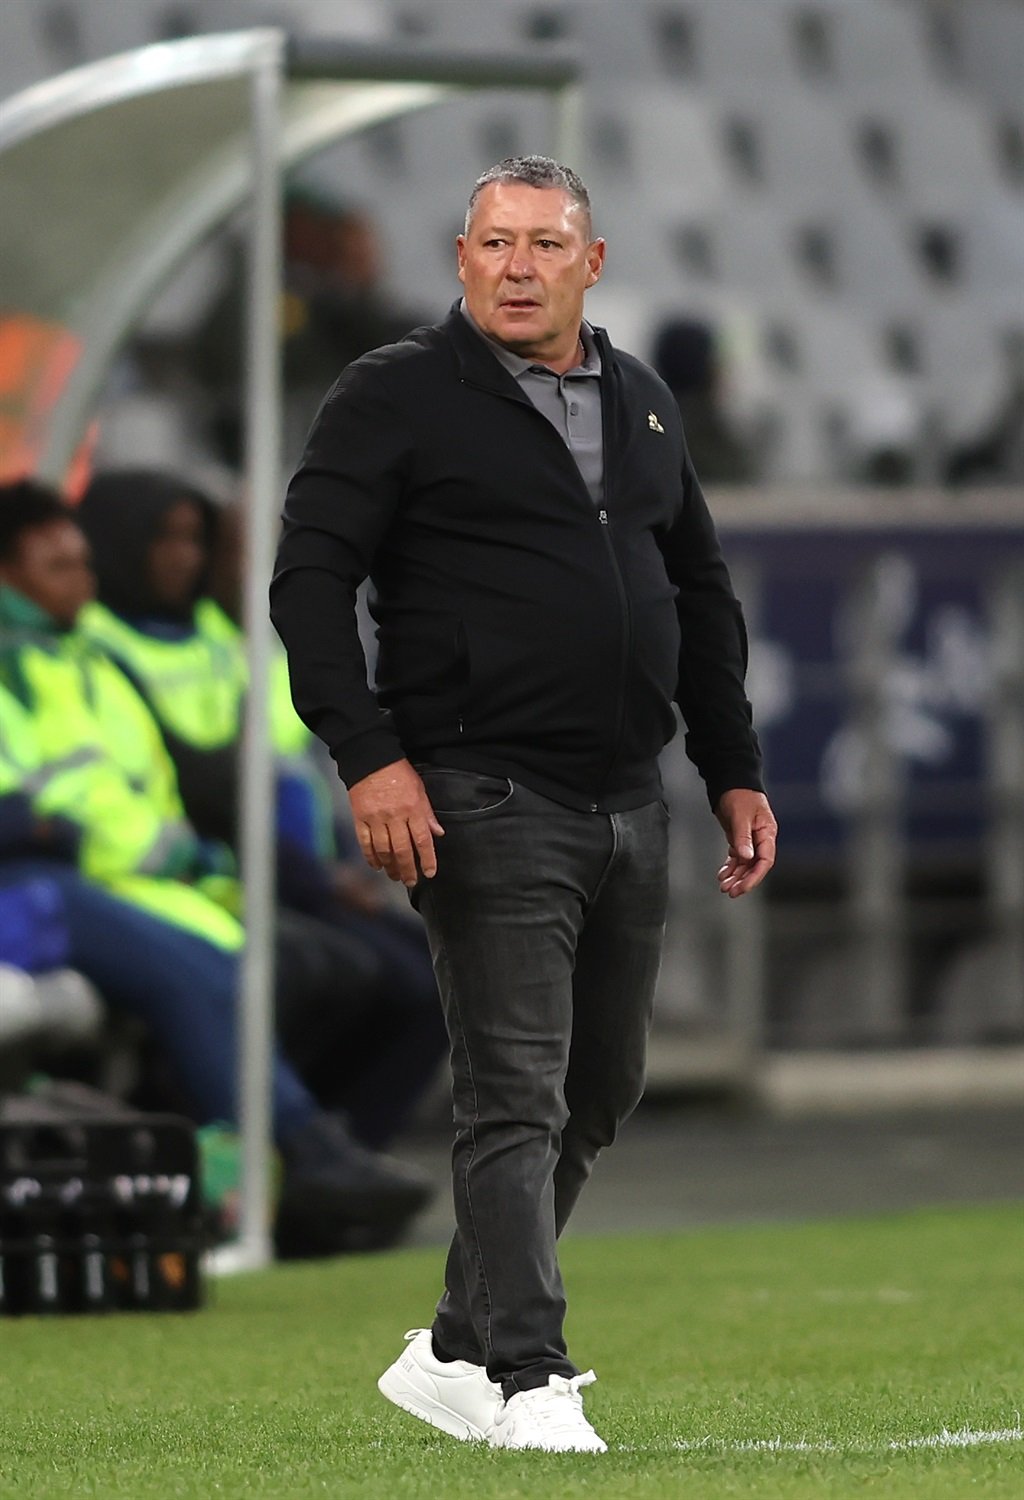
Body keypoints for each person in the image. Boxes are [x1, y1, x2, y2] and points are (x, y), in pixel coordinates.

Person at [271, 156, 777, 1452]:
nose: (516, 266)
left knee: (599, 1084)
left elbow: (703, 593)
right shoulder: (394, 396)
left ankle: (451, 1346)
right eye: (493, 243)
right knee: (515, 1089)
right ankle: (527, 1377)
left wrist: (734, 767)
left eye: (545, 246)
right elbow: (308, 586)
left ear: (589, 265)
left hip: (630, 794)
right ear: (459, 258)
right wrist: (371, 758)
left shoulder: (645, 400)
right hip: (480, 787)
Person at [0, 480, 432, 1255]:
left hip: (139, 880)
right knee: (213, 978)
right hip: (42, 887)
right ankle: (301, 1155)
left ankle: (279, 1167)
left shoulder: (86, 662)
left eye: (82, 562)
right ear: (7, 574)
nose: (81, 579)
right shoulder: (20, 667)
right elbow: (31, 813)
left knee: (275, 967)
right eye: (56, 565)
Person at [75, 468, 446, 1147]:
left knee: (431, 982)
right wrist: (314, 879)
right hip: (209, 875)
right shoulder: (98, 645)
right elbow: (208, 791)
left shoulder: (222, 639)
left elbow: (290, 770)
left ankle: (341, 1153)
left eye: (194, 540)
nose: (183, 557)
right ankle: (283, 1153)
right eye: (167, 539)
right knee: (323, 971)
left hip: (283, 869)